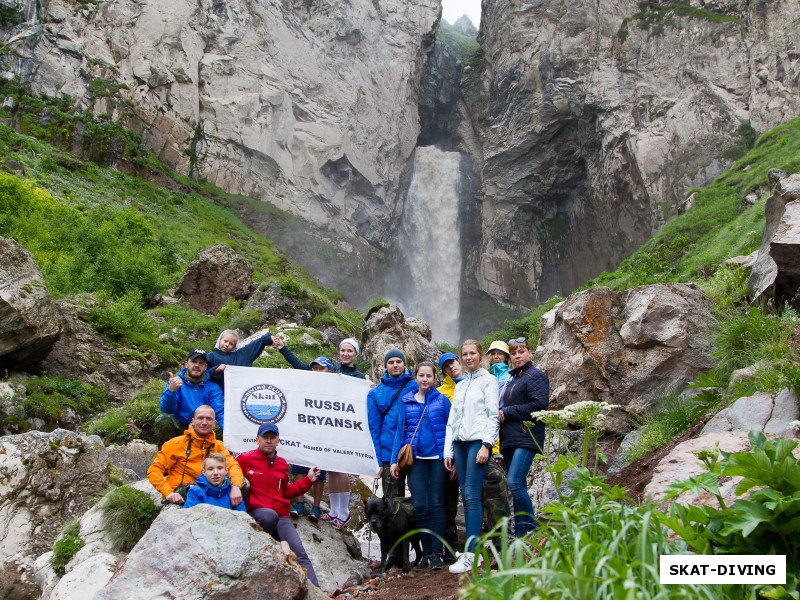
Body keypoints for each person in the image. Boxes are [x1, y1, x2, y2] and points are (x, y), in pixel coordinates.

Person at [273, 338, 352, 528]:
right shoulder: (307, 380)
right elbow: (298, 365)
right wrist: (283, 349)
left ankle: (318, 507)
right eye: (315, 368)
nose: (317, 371)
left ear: (330, 371)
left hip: (327, 434)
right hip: (305, 430)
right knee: (300, 465)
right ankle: (300, 504)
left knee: (321, 470)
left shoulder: (338, 383)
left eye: (322, 368)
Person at [236, 423, 321, 588]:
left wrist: (308, 480)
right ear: (257, 440)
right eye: (265, 438)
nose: (268, 441)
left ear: (278, 441)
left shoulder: (282, 463)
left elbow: (286, 492)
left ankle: (317, 592)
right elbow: (231, 478)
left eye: (272, 438)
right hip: (258, 514)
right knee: (269, 516)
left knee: (300, 553)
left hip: (281, 516)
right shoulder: (245, 459)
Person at [443, 340, 499, 574]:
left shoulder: (489, 380)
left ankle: (473, 553)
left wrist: (487, 444)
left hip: (477, 442)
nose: (468, 358)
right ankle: (469, 549)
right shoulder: (461, 385)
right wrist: (449, 450)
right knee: (465, 497)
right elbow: (452, 421)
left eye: (472, 354)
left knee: (473, 496)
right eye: (464, 354)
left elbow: (492, 415)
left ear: (480, 355)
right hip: (460, 444)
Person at [390, 361, 450, 571]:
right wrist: (392, 461)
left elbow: (451, 429)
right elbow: (399, 432)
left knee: (436, 504)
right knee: (421, 506)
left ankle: (438, 553)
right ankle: (425, 553)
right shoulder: (406, 402)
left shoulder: (443, 401)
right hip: (415, 460)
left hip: (437, 459)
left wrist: (450, 456)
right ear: (416, 377)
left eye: (429, 376)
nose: (425, 379)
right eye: (421, 375)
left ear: (435, 379)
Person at [499, 337, 549, 538]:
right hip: (510, 438)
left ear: (529, 353)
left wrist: (508, 412)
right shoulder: (514, 379)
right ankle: (521, 532)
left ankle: (534, 530)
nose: (517, 356)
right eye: (513, 353)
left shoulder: (535, 376)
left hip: (526, 436)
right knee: (519, 484)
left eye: (521, 352)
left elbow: (539, 405)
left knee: (514, 482)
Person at [147, 405, 244, 506]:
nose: (204, 422)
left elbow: (233, 466)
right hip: (180, 496)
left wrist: (236, 486)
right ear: (192, 421)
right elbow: (154, 470)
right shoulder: (175, 444)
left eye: (209, 419)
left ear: (214, 423)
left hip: (208, 494)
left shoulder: (218, 446)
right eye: (200, 418)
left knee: (243, 483)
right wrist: (168, 493)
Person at [367, 349, 416, 501]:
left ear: (404, 364)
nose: (395, 365)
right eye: (391, 362)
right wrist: (378, 461)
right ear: (385, 366)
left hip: (415, 450)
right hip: (389, 453)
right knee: (391, 502)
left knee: (420, 499)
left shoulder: (416, 386)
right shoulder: (376, 393)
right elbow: (374, 428)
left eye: (398, 361)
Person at [155, 349, 225, 444]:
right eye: (193, 361)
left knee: (222, 428)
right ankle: (166, 454)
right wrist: (171, 391)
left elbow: (220, 411)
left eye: (201, 363)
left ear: (205, 367)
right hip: (181, 426)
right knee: (163, 420)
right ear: (186, 364)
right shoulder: (175, 383)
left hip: (203, 427)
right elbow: (167, 410)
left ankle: (210, 455)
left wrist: (227, 431)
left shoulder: (213, 387)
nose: (197, 365)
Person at [483, 341, 513, 537]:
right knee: (487, 485)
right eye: (492, 353)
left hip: (507, 433)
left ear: (506, 357)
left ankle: (507, 530)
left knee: (506, 483)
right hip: (487, 436)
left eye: (500, 353)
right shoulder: (485, 377)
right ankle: (489, 526)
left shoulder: (511, 377)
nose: (496, 356)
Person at [437, 352, 464, 563]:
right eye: (446, 366)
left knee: (478, 496)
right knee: (449, 500)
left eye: (453, 362)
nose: (451, 367)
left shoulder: (478, 382)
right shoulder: (440, 393)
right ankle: (449, 545)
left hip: (478, 447)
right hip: (451, 451)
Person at [205, 329, 275, 388]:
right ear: (220, 340)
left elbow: (260, 342)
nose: (227, 345)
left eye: (231, 344)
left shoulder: (242, 356)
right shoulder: (211, 356)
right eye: (225, 341)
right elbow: (204, 375)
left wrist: (269, 338)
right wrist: (217, 370)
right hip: (217, 397)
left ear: (234, 346)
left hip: (239, 396)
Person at [183, 452, 247, 512]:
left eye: (220, 468)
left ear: (226, 470)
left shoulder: (233, 492)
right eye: (210, 469)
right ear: (204, 472)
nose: (215, 473)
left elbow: (243, 518)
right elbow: (189, 518)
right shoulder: (195, 492)